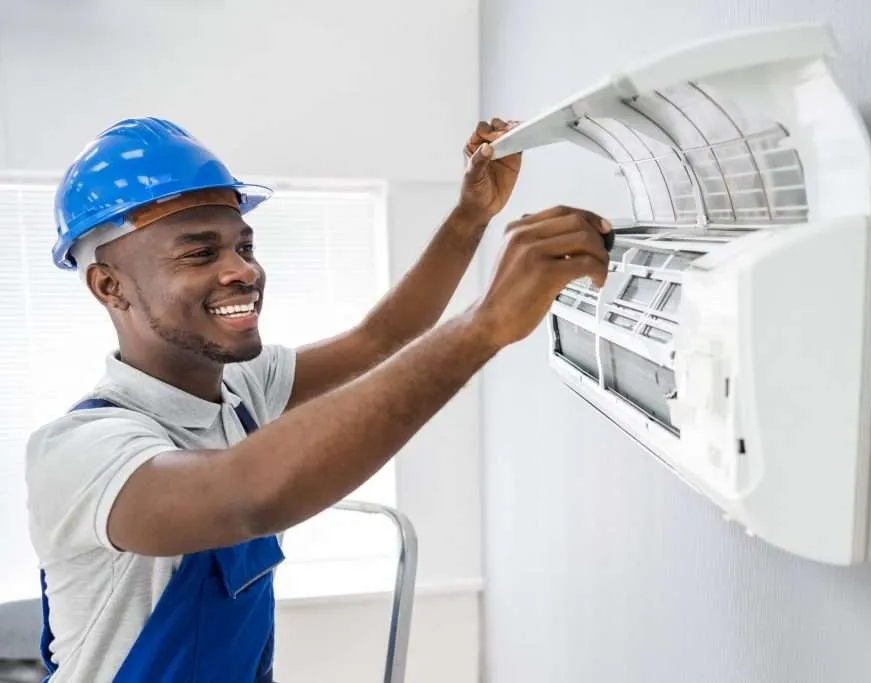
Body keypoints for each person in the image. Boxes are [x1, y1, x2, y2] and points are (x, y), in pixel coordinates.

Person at [23, 116, 611, 682]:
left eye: (244, 248)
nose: (242, 272)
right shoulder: (81, 451)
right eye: (201, 253)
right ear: (110, 285)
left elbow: (380, 338)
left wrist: (470, 216)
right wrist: (481, 327)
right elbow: (246, 496)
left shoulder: (243, 388)